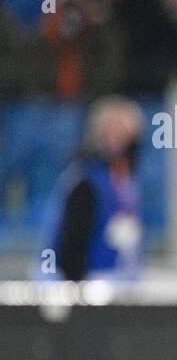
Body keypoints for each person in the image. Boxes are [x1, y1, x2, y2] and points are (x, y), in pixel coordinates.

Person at [44, 95, 144, 281]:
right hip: (88, 288)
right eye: (115, 134)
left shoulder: (125, 183)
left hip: (118, 284)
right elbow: (70, 247)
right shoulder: (85, 181)